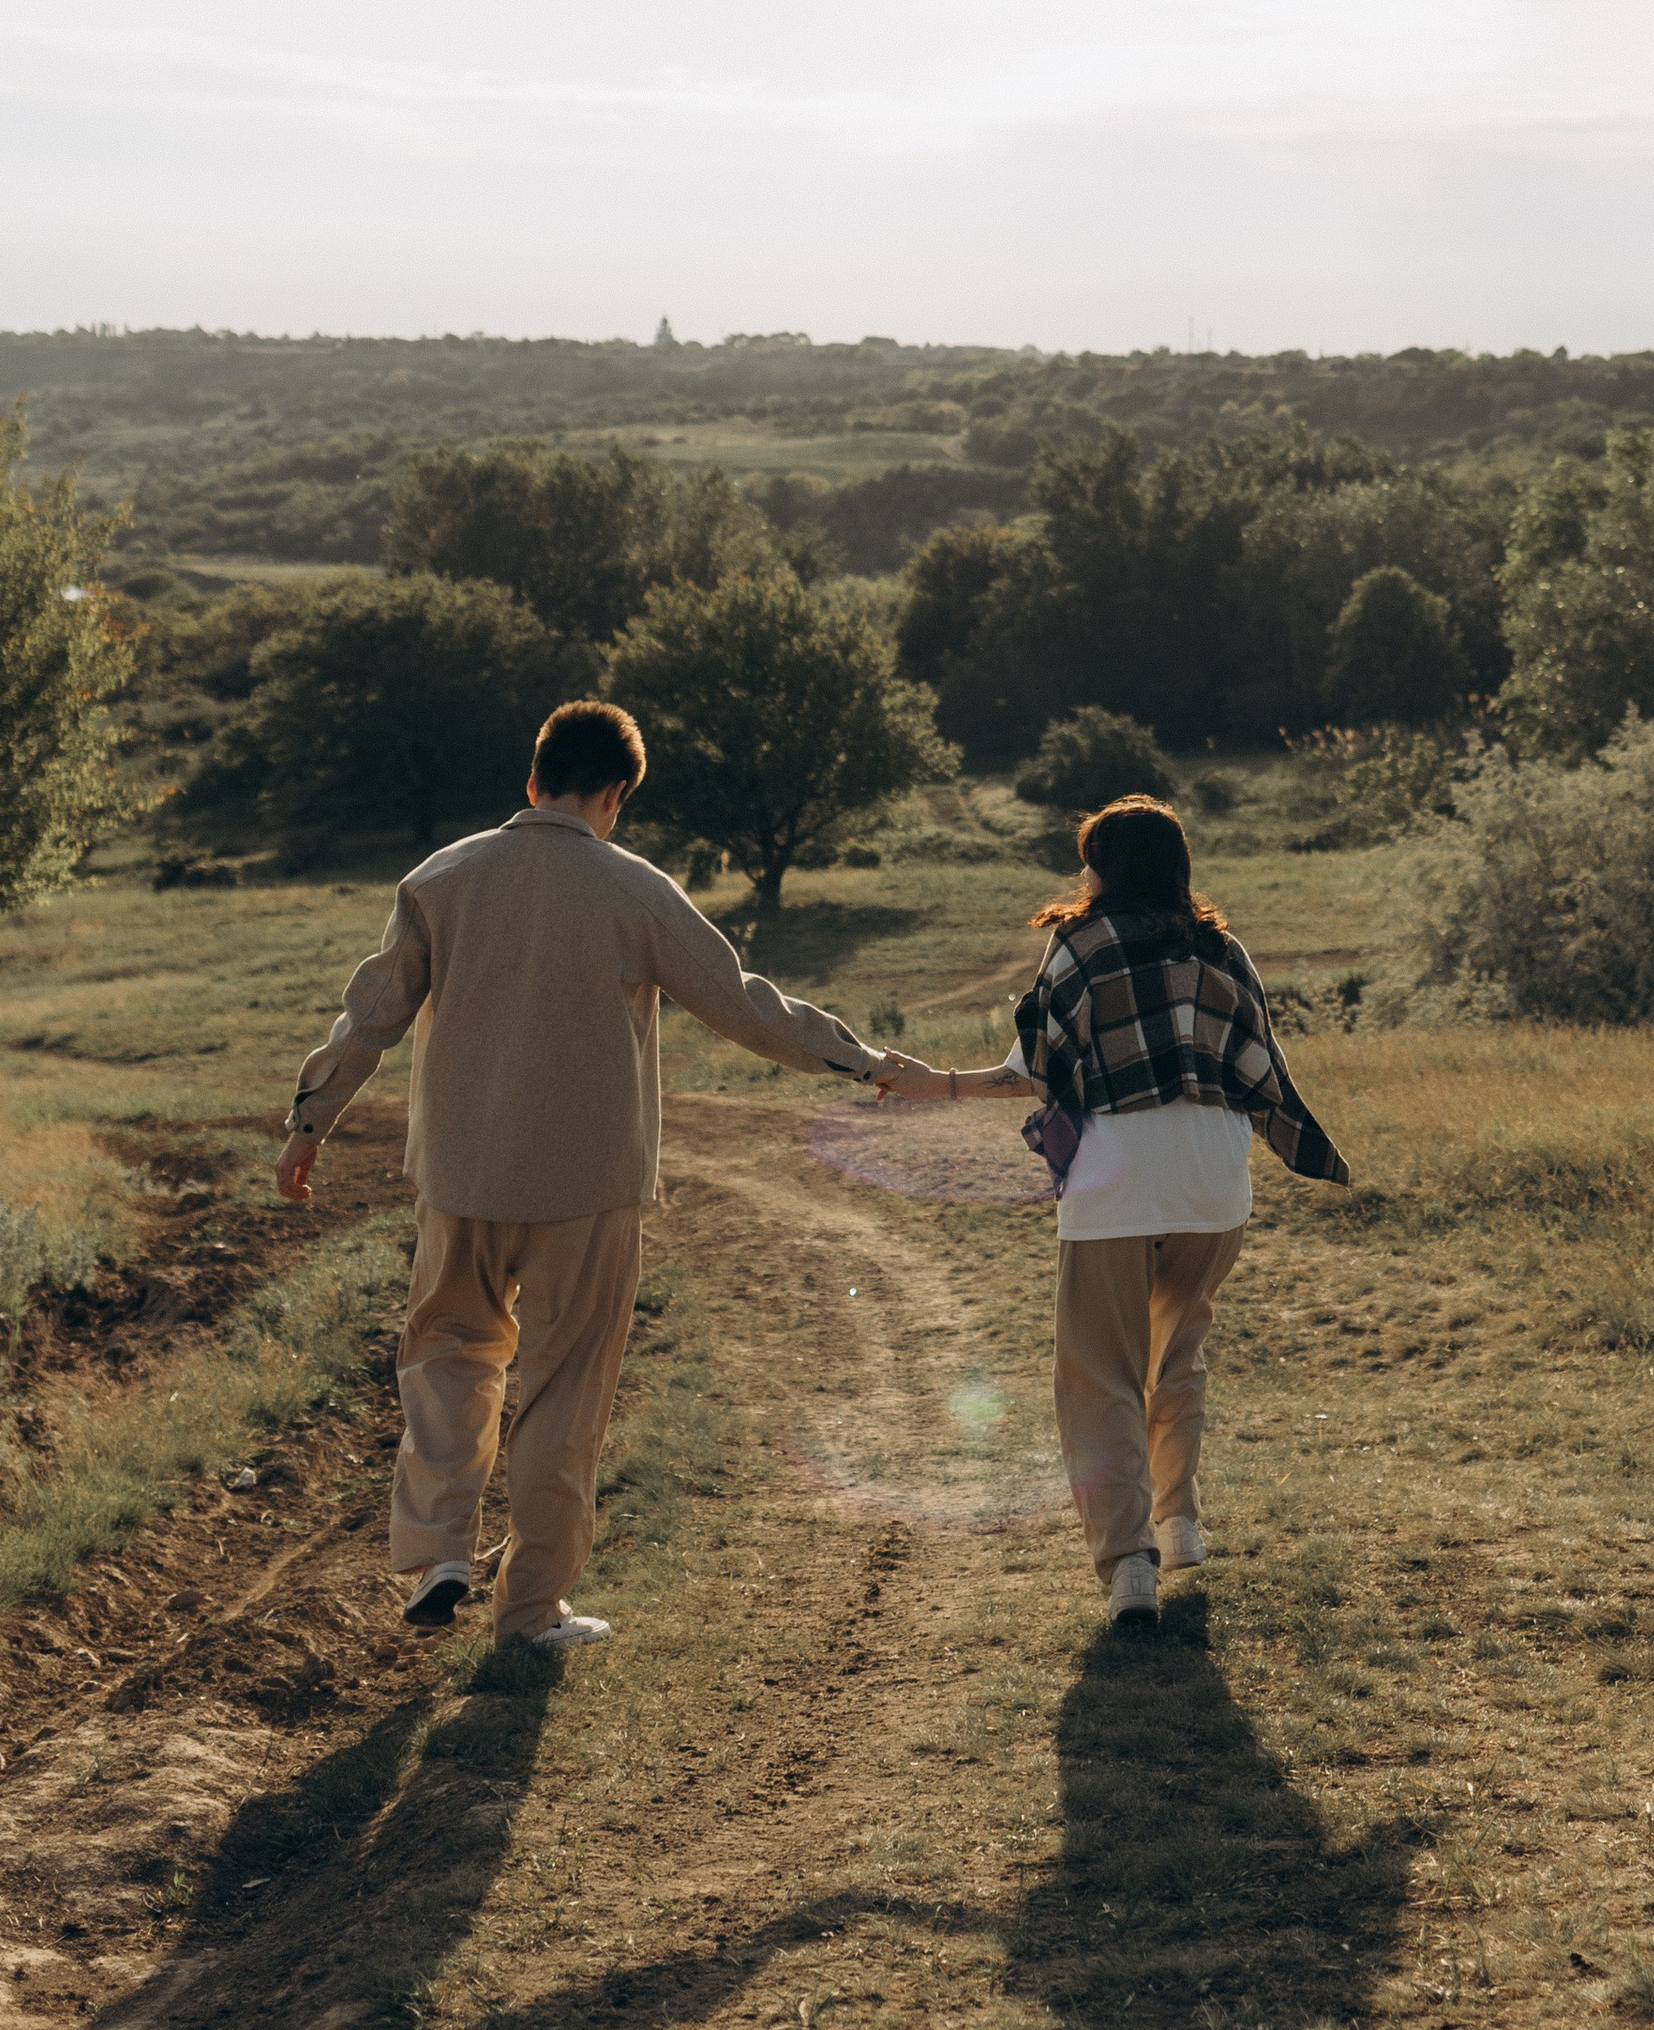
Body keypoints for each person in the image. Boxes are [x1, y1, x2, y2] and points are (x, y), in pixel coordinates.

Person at [275, 695, 882, 1653]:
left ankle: (438, 1547)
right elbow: (743, 1004)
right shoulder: (633, 888)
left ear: (533, 777)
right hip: (586, 1188)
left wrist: (311, 1120)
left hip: (459, 1176)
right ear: (616, 794)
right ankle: (529, 1611)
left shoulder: (442, 877)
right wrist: (861, 1061)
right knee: (563, 1390)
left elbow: (372, 1015)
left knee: (445, 1357)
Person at [871, 794, 1348, 1624]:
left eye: (1089, 858)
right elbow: (1258, 1063)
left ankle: (1129, 1564)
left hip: (1116, 1183)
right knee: (1178, 1355)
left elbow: (1033, 1072)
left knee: (1101, 1377)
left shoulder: (1079, 948)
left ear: (1104, 869)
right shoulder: (1222, 949)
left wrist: (931, 1083)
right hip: (1212, 1185)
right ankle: (1180, 1519)